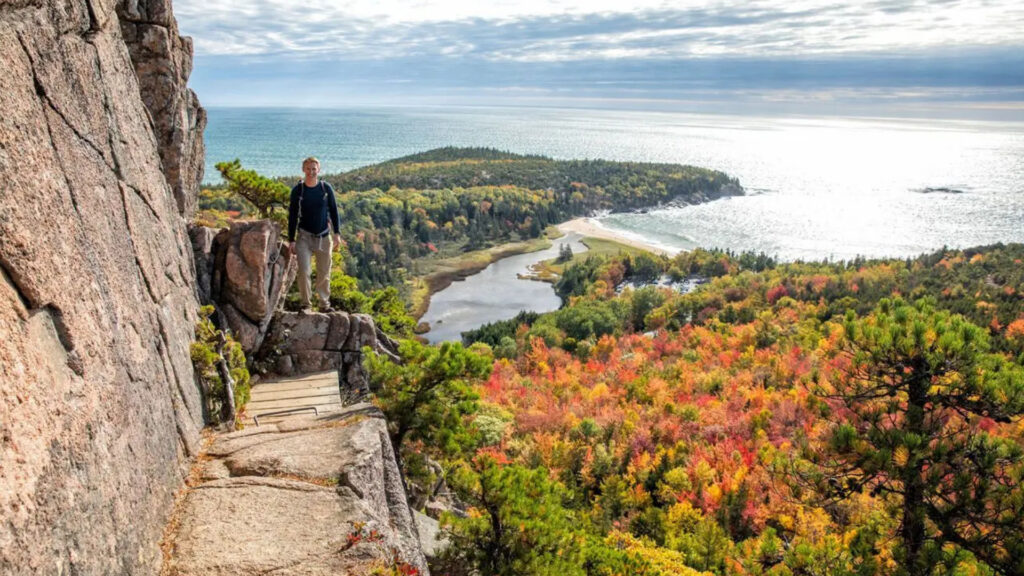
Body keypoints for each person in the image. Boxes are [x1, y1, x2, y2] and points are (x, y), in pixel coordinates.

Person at [287, 157, 341, 312]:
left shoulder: (325, 188)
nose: (311, 172)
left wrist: (337, 233)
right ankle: (306, 304)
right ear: (303, 170)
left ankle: (324, 305)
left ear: (319, 170)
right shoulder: (298, 190)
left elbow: (334, 210)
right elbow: (292, 215)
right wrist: (291, 239)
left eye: (314, 169)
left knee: (324, 273)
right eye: (308, 169)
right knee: (304, 271)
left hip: (324, 237)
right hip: (304, 237)